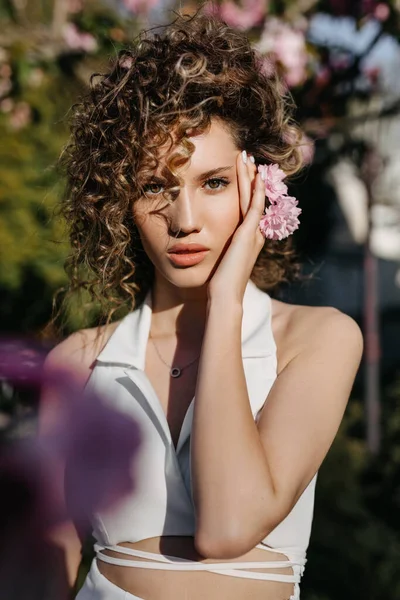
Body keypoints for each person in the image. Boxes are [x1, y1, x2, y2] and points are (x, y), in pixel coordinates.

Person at [39, 11, 363, 600]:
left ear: (259, 186)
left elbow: (228, 529)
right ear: (121, 203)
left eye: (213, 182)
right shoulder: (79, 363)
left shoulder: (320, 339)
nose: (184, 221)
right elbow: (43, 567)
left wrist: (226, 304)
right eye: (154, 186)